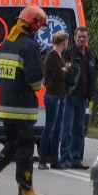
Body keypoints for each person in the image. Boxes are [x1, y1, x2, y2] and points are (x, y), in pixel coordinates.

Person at [0, 6, 49, 195]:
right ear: (33, 25)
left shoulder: (7, 43)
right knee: (25, 150)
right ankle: (26, 189)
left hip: (6, 106)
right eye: (39, 27)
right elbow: (34, 81)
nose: (38, 31)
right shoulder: (29, 47)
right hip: (22, 108)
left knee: (13, 147)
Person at [60, 26, 98, 170]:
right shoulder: (68, 53)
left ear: (88, 38)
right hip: (69, 95)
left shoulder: (91, 55)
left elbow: (94, 74)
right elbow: (60, 73)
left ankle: (76, 159)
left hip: (83, 97)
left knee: (79, 129)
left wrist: (91, 93)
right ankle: (65, 159)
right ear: (74, 37)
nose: (82, 39)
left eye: (84, 37)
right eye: (79, 37)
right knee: (67, 129)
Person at [38, 31, 72, 170]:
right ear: (64, 42)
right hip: (52, 95)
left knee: (58, 129)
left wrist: (65, 69)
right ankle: (42, 160)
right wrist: (66, 69)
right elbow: (58, 74)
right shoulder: (51, 55)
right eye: (67, 41)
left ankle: (54, 159)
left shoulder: (60, 56)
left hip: (61, 94)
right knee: (49, 128)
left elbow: (62, 72)